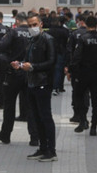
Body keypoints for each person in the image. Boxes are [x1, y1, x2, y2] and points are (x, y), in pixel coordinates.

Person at [11, 12, 57, 162]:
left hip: (43, 83)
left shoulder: (48, 40)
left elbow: (51, 62)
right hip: (31, 83)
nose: (32, 28)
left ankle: (51, 151)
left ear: (41, 24)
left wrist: (33, 67)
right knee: (36, 117)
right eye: (30, 25)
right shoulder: (31, 41)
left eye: (34, 25)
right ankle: (42, 148)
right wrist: (20, 64)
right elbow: (28, 59)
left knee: (45, 117)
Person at [0, 12, 39, 146]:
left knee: (9, 106)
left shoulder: (13, 32)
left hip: (14, 72)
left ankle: (5, 134)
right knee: (31, 106)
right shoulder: (33, 32)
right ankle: (34, 137)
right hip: (29, 72)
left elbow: (1, 47)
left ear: (17, 21)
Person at [71, 16, 97, 136]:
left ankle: (83, 120)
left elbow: (77, 57)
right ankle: (94, 126)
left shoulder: (83, 38)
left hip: (84, 73)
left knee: (79, 97)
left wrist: (73, 71)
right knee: (96, 100)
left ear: (86, 25)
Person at [65, 14, 88, 123]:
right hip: (89, 68)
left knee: (76, 91)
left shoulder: (74, 34)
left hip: (76, 68)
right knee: (86, 93)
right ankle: (85, 115)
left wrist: (68, 68)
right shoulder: (92, 34)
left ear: (80, 21)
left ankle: (77, 114)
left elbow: (69, 52)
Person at [47, 17, 69, 96]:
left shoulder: (48, 32)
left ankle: (52, 86)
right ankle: (58, 87)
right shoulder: (64, 31)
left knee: (51, 70)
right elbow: (67, 42)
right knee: (59, 70)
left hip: (50, 52)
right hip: (61, 52)